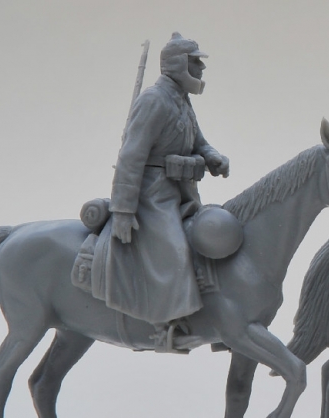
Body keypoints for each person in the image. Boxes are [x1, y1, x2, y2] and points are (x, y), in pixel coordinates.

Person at [92, 32, 229, 351]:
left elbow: (198, 141)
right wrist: (123, 210)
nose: (201, 69)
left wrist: (212, 156)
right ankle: (167, 326)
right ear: (179, 64)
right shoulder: (154, 100)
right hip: (152, 194)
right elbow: (131, 156)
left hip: (182, 192)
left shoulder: (181, 100)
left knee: (212, 238)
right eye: (195, 62)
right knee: (172, 250)